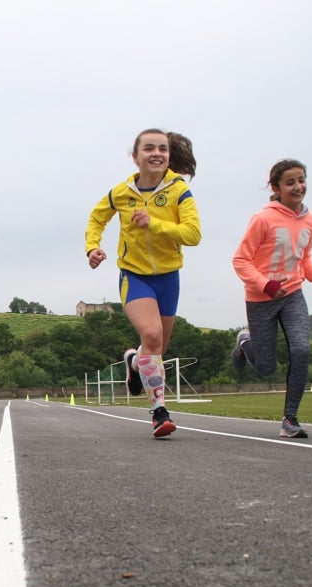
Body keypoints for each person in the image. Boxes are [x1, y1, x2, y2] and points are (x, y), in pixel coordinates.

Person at [86, 129, 201, 438]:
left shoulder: (179, 192)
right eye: (148, 148)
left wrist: (156, 224)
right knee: (151, 334)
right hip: (134, 276)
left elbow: (193, 234)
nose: (156, 153)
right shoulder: (121, 192)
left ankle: (135, 362)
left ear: (168, 155)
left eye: (162, 149)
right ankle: (159, 412)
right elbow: (97, 218)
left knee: (157, 348)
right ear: (135, 156)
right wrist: (92, 247)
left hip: (168, 278)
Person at [231, 159, 312, 439]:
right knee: (266, 368)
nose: (298, 186)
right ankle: (245, 341)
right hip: (261, 299)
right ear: (276, 187)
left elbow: (305, 258)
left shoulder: (311, 221)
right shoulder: (263, 219)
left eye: (302, 180)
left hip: (292, 295)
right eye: (291, 182)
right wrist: (265, 284)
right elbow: (240, 260)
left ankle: (290, 419)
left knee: (301, 351)